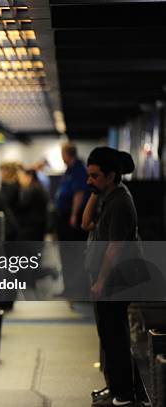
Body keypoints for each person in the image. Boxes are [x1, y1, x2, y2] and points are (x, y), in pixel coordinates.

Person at [84, 147, 142, 407]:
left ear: (111, 176)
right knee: (108, 336)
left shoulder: (120, 202)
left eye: (95, 176)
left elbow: (115, 247)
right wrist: (95, 192)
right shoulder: (108, 196)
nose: (89, 181)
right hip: (107, 280)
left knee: (115, 337)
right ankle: (116, 388)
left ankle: (124, 395)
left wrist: (100, 281)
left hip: (115, 280)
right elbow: (86, 224)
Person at [56, 142, 89, 295]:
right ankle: (69, 287)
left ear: (66, 154)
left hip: (71, 217)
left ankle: (76, 288)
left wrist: (74, 215)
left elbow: (79, 193)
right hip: (64, 216)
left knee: (73, 253)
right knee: (66, 253)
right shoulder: (69, 170)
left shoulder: (78, 170)